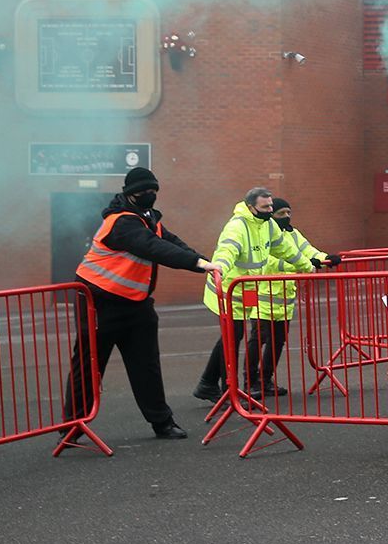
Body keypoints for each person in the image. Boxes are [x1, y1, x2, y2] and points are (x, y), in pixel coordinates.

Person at [66, 167, 211, 439]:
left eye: (154, 190)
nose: (150, 195)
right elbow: (152, 247)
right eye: (144, 191)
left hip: (136, 303)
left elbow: (172, 243)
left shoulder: (150, 219)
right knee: (89, 364)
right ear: (130, 194)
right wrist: (197, 264)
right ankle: (72, 427)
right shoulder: (121, 222)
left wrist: (203, 261)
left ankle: (162, 422)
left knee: (147, 365)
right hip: (99, 302)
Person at [195, 187, 336, 403]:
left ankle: (207, 384)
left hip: (245, 290)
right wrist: (219, 266)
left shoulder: (267, 224)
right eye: (265, 207)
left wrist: (307, 265)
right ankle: (227, 392)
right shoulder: (237, 226)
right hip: (226, 289)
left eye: (271, 206)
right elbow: (227, 250)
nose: (270, 210)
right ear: (251, 207)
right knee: (233, 338)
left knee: (232, 337)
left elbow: (285, 249)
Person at [245, 198, 327, 399]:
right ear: (272, 215)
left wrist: (325, 259)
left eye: (289, 212)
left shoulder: (292, 233)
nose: (287, 216)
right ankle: (250, 382)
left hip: (284, 298)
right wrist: (303, 265)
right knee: (258, 339)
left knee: (278, 341)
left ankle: (266, 380)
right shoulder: (263, 234)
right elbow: (270, 262)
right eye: (282, 213)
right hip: (261, 298)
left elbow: (308, 250)